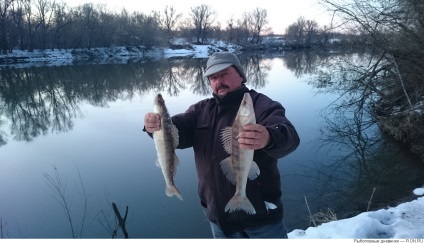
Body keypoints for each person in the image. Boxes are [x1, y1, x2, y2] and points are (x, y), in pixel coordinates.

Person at [143, 52, 300, 238]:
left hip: (262, 218)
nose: (219, 81)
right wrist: (155, 127)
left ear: (240, 75)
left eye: (224, 74)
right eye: (213, 77)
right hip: (219, 218)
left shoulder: (260, 105)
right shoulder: (200, 110)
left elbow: (289, 136)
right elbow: (177, 133)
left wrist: (269, 137)